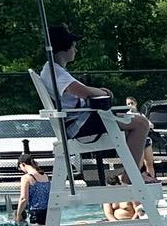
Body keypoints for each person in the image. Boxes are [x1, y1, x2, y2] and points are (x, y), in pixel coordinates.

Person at [42, 23, 156, 181]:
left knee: (134, 122)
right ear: (65, 46)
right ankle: (130, 175)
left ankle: (130, 173)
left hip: (81, 120)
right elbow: (83, 91)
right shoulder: (55, 72)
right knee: (141, 123)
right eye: (74, 46)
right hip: (80, 123)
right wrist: (105, 92)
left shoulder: (52, 70)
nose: (76, 50)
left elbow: (81, 90)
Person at [12, 158, 50, 225]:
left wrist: (18, 214)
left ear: (23, 164)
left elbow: (23, 198)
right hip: (48, 211)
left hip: (36, 213)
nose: (21, 170)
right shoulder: (45, 175)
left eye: (20, 167)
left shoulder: (26, 177)